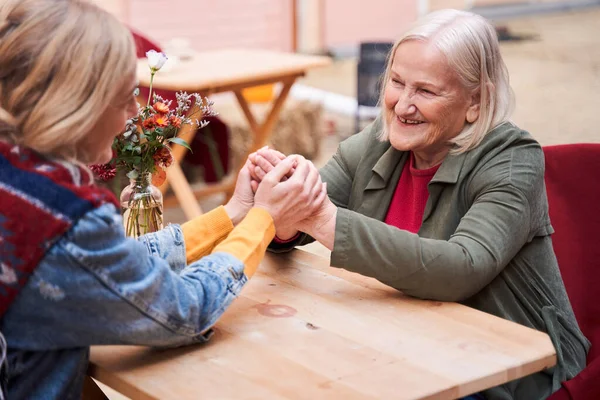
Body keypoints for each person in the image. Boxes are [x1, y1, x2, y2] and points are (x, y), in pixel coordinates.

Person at [249, 9, 589, 400]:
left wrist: (321, 218)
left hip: (510, 373)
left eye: (425, 91)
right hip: (403, 346)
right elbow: (308, 207)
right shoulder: (379, 140)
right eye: (396, 82)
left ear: (476, 102)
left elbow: (461, 268)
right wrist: (283, 210)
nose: (402, 105)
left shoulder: (512, 160)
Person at [0, 0, 326, 398]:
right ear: (80, 104)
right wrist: (264, 218)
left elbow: (116, 262)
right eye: (124, 98)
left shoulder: (19, 185)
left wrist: (233, 215)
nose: (133, 113)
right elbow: (184, 309)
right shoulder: (62, 220)